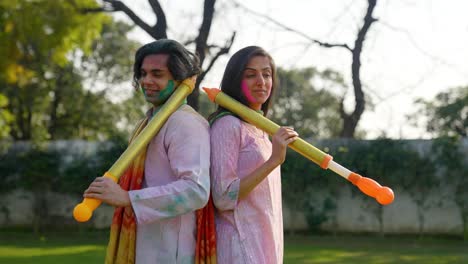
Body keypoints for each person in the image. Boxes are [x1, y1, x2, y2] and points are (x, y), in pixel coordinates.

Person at [83, 39, 211, 263]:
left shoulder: (184, 123)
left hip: (171, 251)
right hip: (144, 242)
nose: (146, 81)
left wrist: (128, 198)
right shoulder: (148, 122)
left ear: (179, 79)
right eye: (143, 73)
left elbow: (196, 191)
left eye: (157, 74)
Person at [209, 46, 298, 263]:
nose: (261, 81)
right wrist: (274, 160)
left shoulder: (261, 129)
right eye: (250, 75)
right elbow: (223, 197)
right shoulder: (228, 125)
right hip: (239, 248)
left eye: (266, 74)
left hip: (265, 246)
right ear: (235, 80)